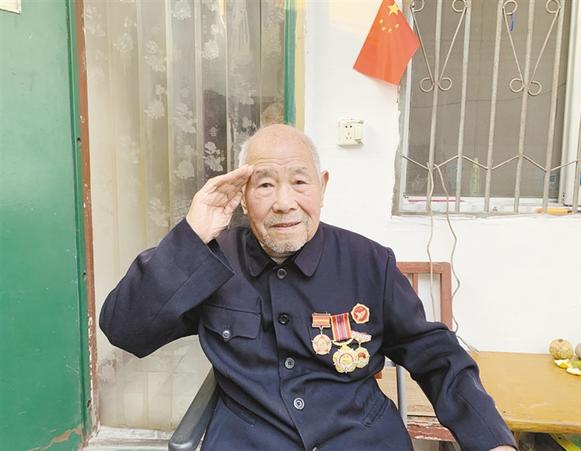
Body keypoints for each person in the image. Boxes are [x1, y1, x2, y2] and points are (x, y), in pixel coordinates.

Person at [100, 124, 517, 451]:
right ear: (243, 195)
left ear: (322, 186)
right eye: (265, 185)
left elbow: (437, 356)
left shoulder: (369, 262)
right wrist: (190, 237)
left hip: (359, 437)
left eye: (299, 182)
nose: (284, 203)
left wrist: (492, 440)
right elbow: (125, 329)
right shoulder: (210, 259)